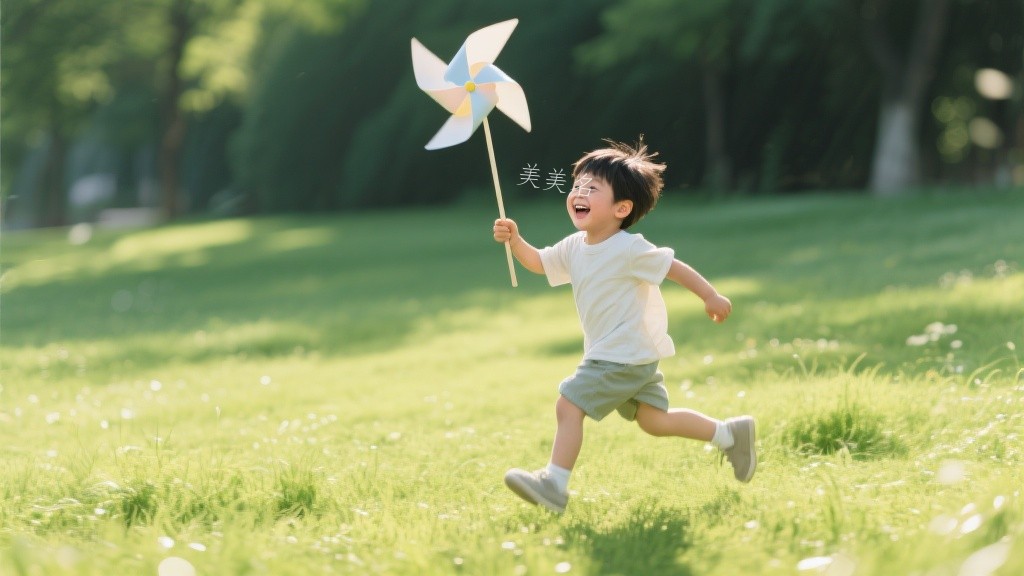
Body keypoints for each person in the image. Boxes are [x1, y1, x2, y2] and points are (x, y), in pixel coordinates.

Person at [492, 138, 755, 514]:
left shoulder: (628, 248)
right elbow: (539, 262)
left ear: (622, 208)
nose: (579, 193)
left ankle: (554, 484)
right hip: (632, 355)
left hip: (620, 352)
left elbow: (672, 267)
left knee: (568, 405)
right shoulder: (575, 246)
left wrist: (709, 295)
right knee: (654, 421)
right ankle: (730, 434)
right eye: (577, 186)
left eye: (592, 188)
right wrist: (516, 241)